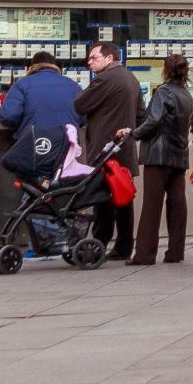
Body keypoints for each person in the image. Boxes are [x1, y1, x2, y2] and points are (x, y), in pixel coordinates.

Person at [0, 51, 89, 254]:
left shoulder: (23, 85)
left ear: (32, 67)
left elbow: (9, 116)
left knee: (35, 193)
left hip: (37, 148)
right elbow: (82, 119)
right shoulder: (72, 85)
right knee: (53, 192)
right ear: (55, 67)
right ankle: (57, 239)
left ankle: (48, 244)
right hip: (65, 149)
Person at [74, 40, 144, 263]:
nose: (89, 62)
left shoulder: (105, 78)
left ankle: (99, 244)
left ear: (109, 58)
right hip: (124, 149)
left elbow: (80, 104)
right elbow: (142, 114)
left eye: (94, 57)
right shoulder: (131, 78)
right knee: (123, 197)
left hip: (106, 150)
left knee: (102, 196)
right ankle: (124, 245)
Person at [127, 55, 193, 265]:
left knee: (152, 204)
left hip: (158, 154)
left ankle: (145, 253)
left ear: (165, 70)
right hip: (178, 153)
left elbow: (154, 120)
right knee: (177, 202)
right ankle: (175, 251)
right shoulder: (186, 94)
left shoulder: (164, 91)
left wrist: (133, 134)